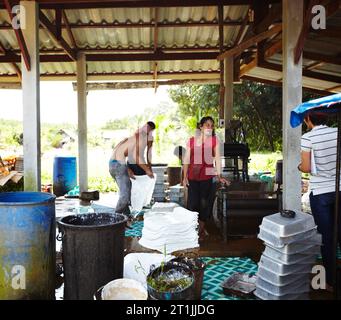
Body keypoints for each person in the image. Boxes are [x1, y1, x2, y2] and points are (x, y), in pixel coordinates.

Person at [298, 112, 341, 292]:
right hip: (340, 188)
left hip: (321, 192)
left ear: (308, 120)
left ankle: (330, 282)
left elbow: (306, 167)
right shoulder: (338, 132)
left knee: (327, 237)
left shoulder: (307, 137)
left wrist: (299, 166)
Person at [182, 116, 230, 240]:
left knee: (204, 205)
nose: (210, 127)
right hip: (192, 177)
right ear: (201, 127)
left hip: (207, 177)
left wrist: (219, 176)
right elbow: (186, 159)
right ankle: (197, 229)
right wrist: (184, 177)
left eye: (212, 125)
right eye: (207, 124)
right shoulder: (192, 141)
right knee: (193, 205)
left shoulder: (214, 141)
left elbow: (218, 159)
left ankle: (200, 231)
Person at [109, 121, 156, 215]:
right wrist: (147, 170)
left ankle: (126, 218)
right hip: (119, 165)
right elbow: (135, 156)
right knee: (125, 196)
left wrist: (126, 168)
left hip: (112, 164)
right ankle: (115, 218)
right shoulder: (138, 138)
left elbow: (118, 152)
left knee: (127, 190)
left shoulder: (129, 138)